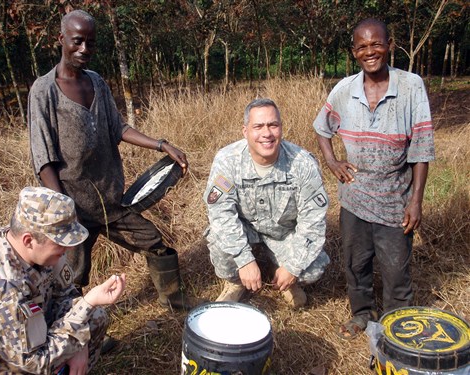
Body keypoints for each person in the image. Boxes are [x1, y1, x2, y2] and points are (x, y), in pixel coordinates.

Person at [27, 9, 199, 310]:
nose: (84, 50)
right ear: (61, 39)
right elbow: (44, 159)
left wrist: (161, 145)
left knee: (153, 241)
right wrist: (64, 211)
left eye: (90, 43)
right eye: (77, 41)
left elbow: (118, 127)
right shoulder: (44, 92)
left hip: (111, 201)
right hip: (74, 207)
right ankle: (81, 333)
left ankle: (175, 301)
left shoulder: (96, 82)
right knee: (72, 277)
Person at [313, 18, 435, 339]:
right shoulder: (344, 89)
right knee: (356, 265)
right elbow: (321, 129)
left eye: (377, 43)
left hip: (395, 202)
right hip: (354, 200)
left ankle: (397, 327)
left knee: (396, 270)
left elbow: (421, 149)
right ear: (354, 52)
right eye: (363, 46)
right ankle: (362, 314)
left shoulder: (410, 87)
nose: (371, 51)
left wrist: (416, 201)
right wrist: (332, 161)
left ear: (389, 45)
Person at [0, 186, 126, 374]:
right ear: (28, 241)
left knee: (95, 317)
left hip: (35, 336)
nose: (67, 249)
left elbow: (65, 295)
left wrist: (79, 342)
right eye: (60, 242)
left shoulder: (31, 247)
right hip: (3, 364)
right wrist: (86, 309)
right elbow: (36, 364)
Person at [203, 98, 330, 309]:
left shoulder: (302, 163)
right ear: (245, 131)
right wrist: (243, 260)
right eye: (258, 126)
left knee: (312, 269)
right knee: (220, 243)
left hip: (283, 233)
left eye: (273, 125)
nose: (267, 133)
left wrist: (292, 267)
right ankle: (235, 282)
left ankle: (278, 269)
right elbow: (220, 212)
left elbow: (313, 221)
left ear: (281, 128)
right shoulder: (227, 160)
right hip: (246, 229)